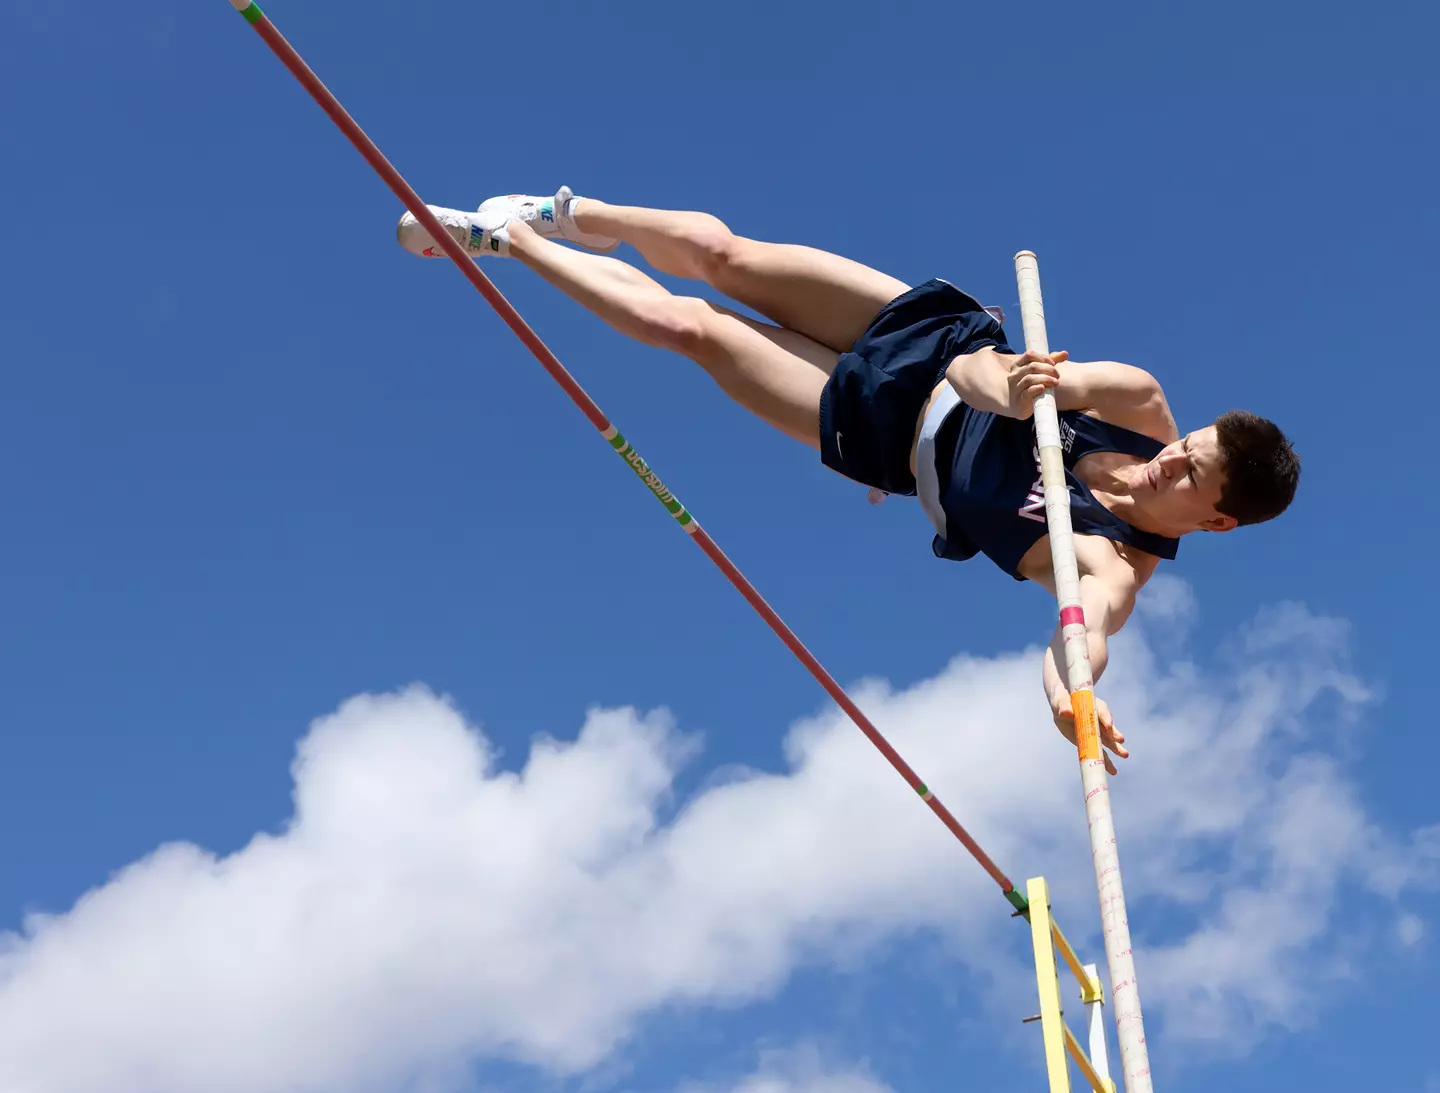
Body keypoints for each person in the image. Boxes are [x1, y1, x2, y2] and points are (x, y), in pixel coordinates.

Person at [396, 188, 1300, 770]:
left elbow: (1080, 636)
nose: (1171, 456)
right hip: (942, 348)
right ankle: (572, 211)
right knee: (725, 257)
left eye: (1194, 474)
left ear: (1215, 523)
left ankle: (503, 239)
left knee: (695, 330)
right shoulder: (1140, 403)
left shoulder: (1111, 565)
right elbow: (978, 379)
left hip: (882, 438)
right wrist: (1013, 390)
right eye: (1192, 441)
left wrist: (1074, 698)